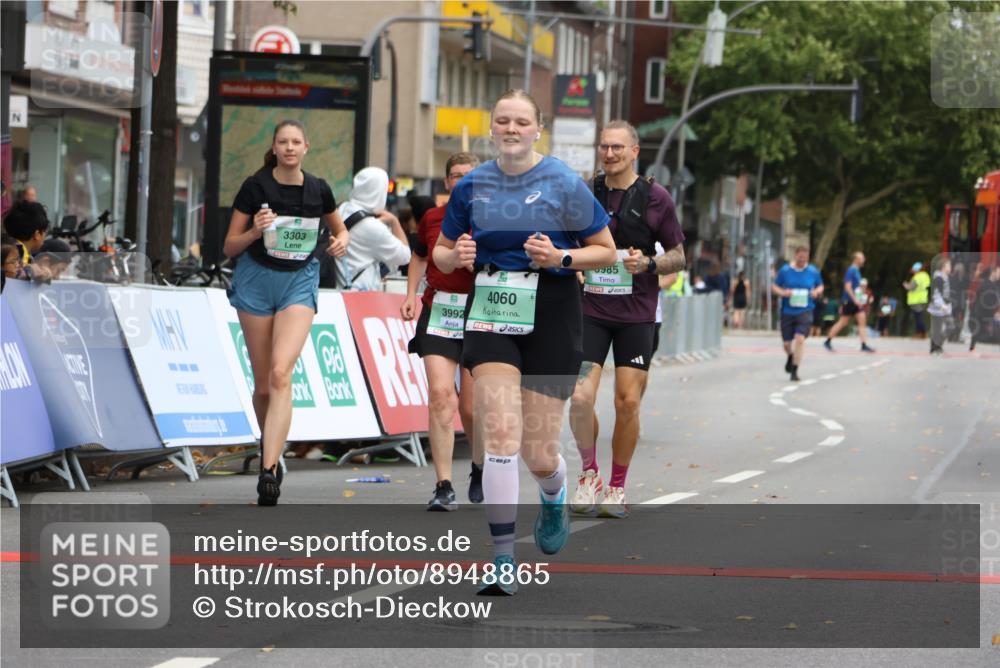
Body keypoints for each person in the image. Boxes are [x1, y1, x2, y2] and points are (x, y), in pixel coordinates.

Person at [433, 89, 616, 595]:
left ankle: (554, 493)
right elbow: (442, 256)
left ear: (539, 129)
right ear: (492, 128)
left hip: (553, 314)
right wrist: (458, 254)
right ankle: (503, 557)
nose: (511, 128)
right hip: (492, 312)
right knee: (500, 435)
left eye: (521, 122)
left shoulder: (563, 182)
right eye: (502, 121)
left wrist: (561, 258)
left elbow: (606, 251)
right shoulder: (472, 186)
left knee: (537, 451)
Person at [223, 119, 350, 506]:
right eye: (283, 142)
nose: (290, 148)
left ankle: (267, 469)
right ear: (274, 147)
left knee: (281, 373)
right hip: (257, 281)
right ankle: (273, 453)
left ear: (306, 147)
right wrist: (255, 233)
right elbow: (230, 246)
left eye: (297, 142)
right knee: (264, 385)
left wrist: (341, 242)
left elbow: (340, 229)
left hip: (299, 281)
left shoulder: (319, 189)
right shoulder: (255, 186)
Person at [568, 120, 684, 519]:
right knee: (581, 397)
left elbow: (679, 256)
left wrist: (649, 262)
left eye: (618, 147)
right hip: (591, 310)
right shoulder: (585, 192)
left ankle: (617, 487)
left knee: (627, 401)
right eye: (605, 147)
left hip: (637, 314)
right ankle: (588, 474)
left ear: (635, 151)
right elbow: (567, 239)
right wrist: (575, 265)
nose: (610, 154)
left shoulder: (656, 198)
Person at [401, 152, 484, 511]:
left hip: (480, 314)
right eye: (454, 175)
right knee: (439, 395)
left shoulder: (492, 218)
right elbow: (419, 256)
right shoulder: (434, 218)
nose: (460, 180)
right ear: (447, 181)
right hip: (439, 311)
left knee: (470, 407)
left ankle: (479, 467)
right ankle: (443, 485)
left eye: (468, 175)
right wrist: (409, 294)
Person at [337, 167, 411, 291]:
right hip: (360, 295)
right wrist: (395, 222)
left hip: (335, 291)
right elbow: (404, 256)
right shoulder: (372, 227)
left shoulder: (342, 209)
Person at [773, 246, 824, 381]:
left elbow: (820, 285)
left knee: (800, 338)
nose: (802, 260)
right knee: (786, 344)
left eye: (805, 257)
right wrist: (784, 293)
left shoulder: (812, 271)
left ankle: (795, 370)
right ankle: (790, 355)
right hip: (788, 310)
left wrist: (816, 292)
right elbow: (775, 286)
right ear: (795, 256)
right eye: (800, 257)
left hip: (805, 309)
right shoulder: (785, 270)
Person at [824, 251, 876, 353]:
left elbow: (857, 288)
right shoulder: (851, 270)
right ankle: (828, 341)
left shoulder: (857, 271)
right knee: (843, 322)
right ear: (856, 259)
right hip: (849, 301)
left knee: (862, 320)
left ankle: (864, 345)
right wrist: (855, 299)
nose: (863, 260)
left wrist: (861, 298)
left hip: (856, 302)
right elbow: (847, 286)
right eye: (862, 258)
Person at [969, 265, 1000, 351]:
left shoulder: (995, 285)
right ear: (993, 273)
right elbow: (986, 300)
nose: (999, 275)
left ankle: (973, 347)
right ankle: (972, 348)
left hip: (987, 312)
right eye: (998, 273)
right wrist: (994, 311)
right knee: (978, 330)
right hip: (980, 311)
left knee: (981, 330)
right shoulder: (985, 284)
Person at [928, 256, 953, 354]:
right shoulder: (938, 278)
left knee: (944, 328)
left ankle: (936, 346)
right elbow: (936, 294)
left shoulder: (944, 277)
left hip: (944, 307)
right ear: (943, 267)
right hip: (938, 308)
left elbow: (945, 293)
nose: (950, 267)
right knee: (940, 328)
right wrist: (942, 306)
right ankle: (935, 347)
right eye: (949, 265)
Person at [903, 262, 930, 338]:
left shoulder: (917, 277)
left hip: (916, 299)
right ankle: (923, 333)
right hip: (923, 298)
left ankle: (920, 333)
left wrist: (906, 285)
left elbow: (911, 287)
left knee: (918, 317)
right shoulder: (926, 275)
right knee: (920, 316)